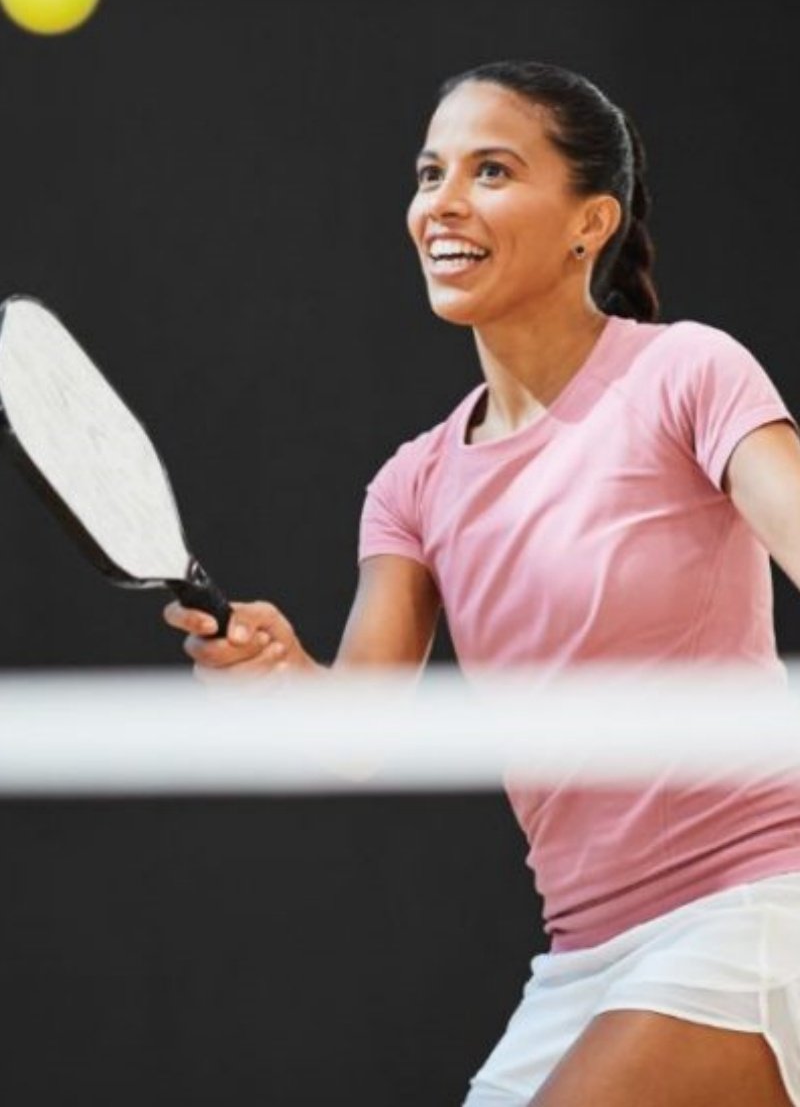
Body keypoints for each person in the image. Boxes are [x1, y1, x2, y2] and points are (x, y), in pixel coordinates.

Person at [164, 61, 800, 1107]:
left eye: (491, 170)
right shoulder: (411, 485)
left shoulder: (686, 372)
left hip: (753, 906)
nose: (443, 204)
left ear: (589, 222)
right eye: (430, 174)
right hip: (582, 959)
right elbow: (357, 734)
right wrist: (280, 675)